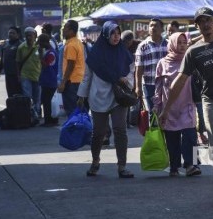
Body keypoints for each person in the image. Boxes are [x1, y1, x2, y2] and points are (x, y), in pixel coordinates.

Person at [159, 7, 213, 205]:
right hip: (211, 102)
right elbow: (179, 81)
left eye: (208, 20)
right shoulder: (193, 51)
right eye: (201, 21)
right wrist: (165, 110)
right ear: (197, 25)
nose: (205, 24)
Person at [77, 21, 135, 178]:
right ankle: (95, 161)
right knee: (99, 133)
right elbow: (87, 76)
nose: (116, 37)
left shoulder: (123, 52)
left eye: (118, 33)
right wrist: (82, 95)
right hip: (99, 96)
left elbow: (131, 70)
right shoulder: (95, 54)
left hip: (119, 97)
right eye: (112, 33)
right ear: (105, 34)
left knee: (120, 130)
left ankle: (122, 166)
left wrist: (126, 80)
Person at [153, 32, 201, 177]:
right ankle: (174, 166)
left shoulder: (190, 60)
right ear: (172, 44)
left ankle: (190, 165)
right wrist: (157, 104)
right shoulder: (163, 63)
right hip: (169, 108)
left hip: (187, 106)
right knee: (172, 139)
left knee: (190, 137)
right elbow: (159, 87)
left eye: (184, 42)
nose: (181, 46)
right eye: (178, 42)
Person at [135, 18, 168, 112]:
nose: (153, 28)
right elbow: (139, 68)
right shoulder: (142, 46)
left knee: (165, 110)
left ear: (162, 29)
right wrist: (138, 87)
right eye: (151, 25)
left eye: (156, 25)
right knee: (153, 112)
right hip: (149, 85)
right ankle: (154, 127)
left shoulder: (168, 44)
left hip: (165, 84)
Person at [57, 20, 85, 116]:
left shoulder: (71, 45)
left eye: (65, 28)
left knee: (71, 110)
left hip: (71, 81)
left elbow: (70, 65)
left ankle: (75, 129)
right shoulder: (78, 43)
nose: (63, 30)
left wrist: (63, 83)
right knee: (78, 109)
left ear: (71, 31)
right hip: (78, 80)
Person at [16, 27, 42, 123]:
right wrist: (18, 75)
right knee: (27, 97)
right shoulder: (21, 47)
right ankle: (31, 115)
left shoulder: (39, 47)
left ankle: (37, 113)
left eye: (30, 35)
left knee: (37, 97)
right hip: (25, 75)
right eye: (27, 35)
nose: (28, 37)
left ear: (35, 35)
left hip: (37, 75)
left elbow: (43, 61)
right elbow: (18, 62)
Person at [37, 34, 59, 126]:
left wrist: (41, 56)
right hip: (46, 79)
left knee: (47, 101)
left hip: (50, 80)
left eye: (40, 43)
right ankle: (48, 119)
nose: (39, 45)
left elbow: (46, 65)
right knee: (46, 100)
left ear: (45, 42)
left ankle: (49, 120)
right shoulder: (48, 51)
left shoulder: (51, 53)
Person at [0, 26, 22, 97]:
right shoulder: (5, 45)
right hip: (8, 74)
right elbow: (2, 59)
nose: (10, 34)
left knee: (18, 94)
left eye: (13, 33)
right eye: (9, 33)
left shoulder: (20, 45)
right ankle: (11, 108)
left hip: (17, 75)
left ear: (18, 35)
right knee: (10, 94)